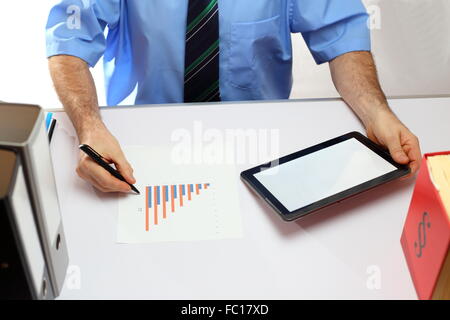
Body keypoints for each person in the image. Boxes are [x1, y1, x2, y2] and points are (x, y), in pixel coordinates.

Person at [46, 0, 421, 193]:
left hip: (261, 146)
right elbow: (69, 36)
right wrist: (89, 128)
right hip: (138, 147)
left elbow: (341, 31)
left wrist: (377, 113)